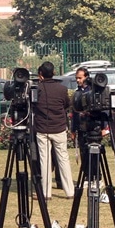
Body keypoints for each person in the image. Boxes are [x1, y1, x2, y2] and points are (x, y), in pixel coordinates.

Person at [33, 62, 73, 202]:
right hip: (59, 128)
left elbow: (33, 106)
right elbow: (67, 105)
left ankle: (46, 193)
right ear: (54, 72)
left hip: (43, 129)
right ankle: (70, 191)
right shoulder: (62, 89)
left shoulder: (37, 89)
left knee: (45, 161)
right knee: (63, 159)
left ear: (40, 74)